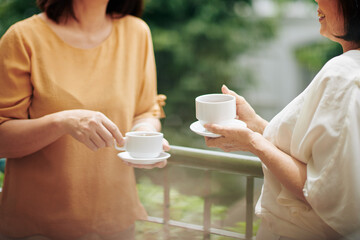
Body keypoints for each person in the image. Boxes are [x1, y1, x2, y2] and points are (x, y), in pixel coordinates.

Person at [0, 0, 170, 239]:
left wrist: (144, 134)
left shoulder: (137, 32)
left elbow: (145, 111)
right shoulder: (22, 37)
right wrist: (62, 121)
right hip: (38, 227)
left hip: (116, 222)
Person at [204, 0, 360, 239]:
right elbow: (319, 156)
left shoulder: (342, 74)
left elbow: (324, 192)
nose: (317, 1)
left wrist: (253, 142)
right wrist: (255, 124)